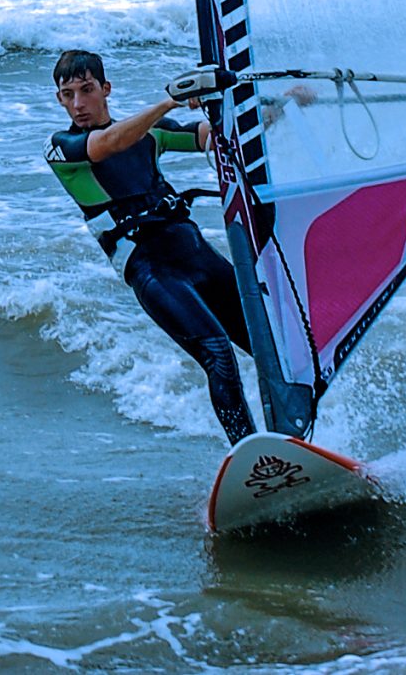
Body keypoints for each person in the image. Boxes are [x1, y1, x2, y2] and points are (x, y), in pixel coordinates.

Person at [41, 48, 255, 445]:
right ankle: (253, 455)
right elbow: (108, 144)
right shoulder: (62, 148)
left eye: (86, 90)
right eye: (68, 94)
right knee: (218, 353)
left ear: (106, 89)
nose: (78, 103)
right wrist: (172, 99)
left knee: (271, 343)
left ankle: (298, 434)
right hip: (154, 271)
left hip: (195, 254)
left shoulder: (152, 134)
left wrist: (263, 104)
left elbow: (214, 136)